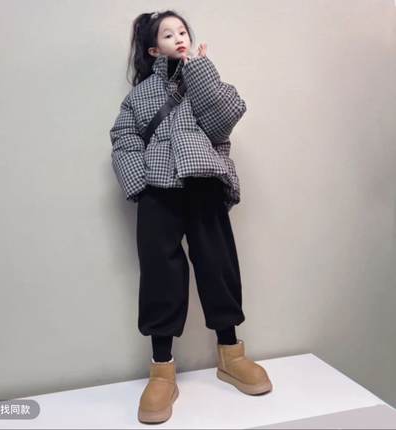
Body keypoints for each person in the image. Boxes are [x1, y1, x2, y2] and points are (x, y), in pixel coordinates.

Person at [109, 9, 273, 425]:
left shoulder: (204, 79)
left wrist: (199, 70)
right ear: (153, 49)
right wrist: (141, 183)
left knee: (219, 265)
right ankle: (162, 371)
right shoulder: (139, 96)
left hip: (203, 183)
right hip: (158, 191)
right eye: (168, 34)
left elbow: (223, 121)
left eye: (182, 31)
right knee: (160, 276)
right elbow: (123, 138)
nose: (179, 37)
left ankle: (231, 355)